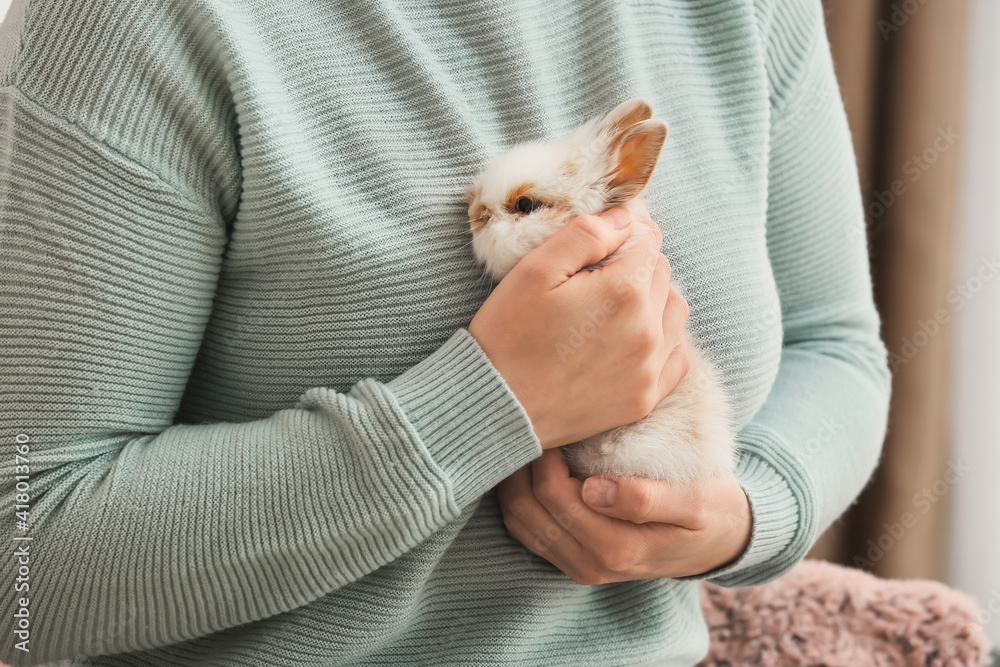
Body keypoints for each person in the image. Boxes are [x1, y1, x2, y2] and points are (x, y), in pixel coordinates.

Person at [0, 0, 891, 664]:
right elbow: (22, 563)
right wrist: (480, 407)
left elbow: (837, 344)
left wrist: (739, 516)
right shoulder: (137, 25)